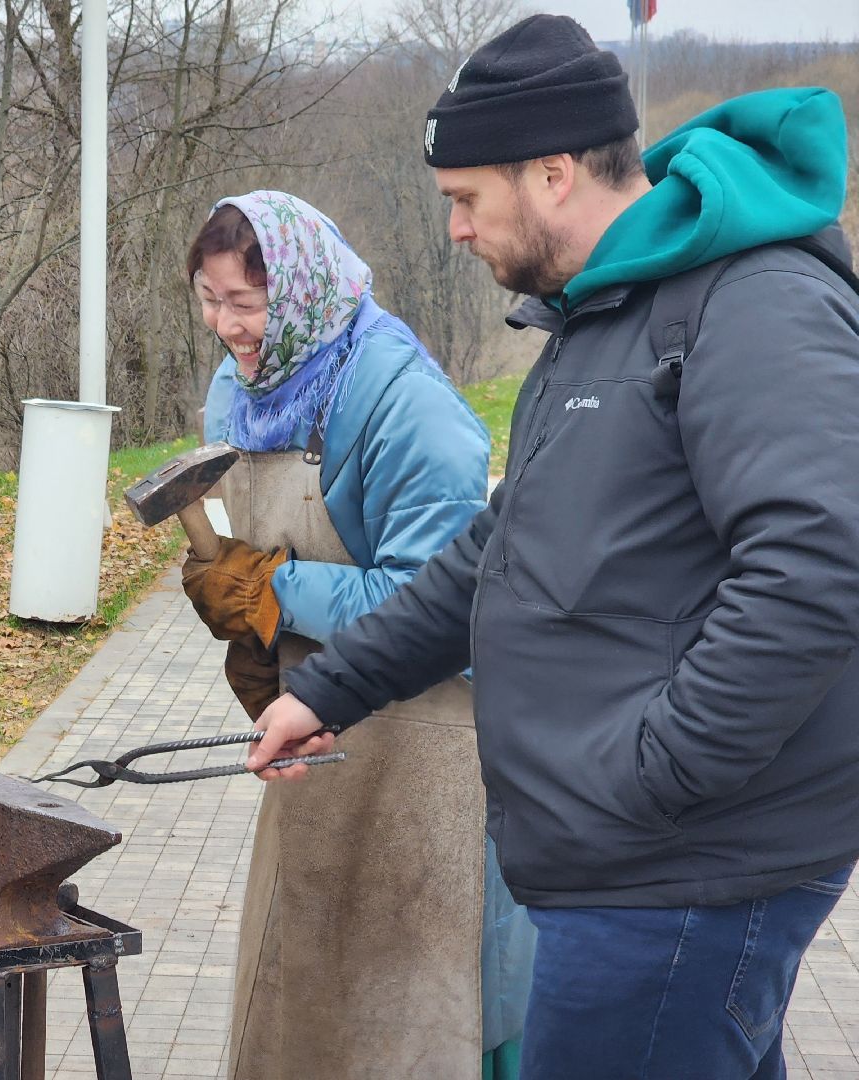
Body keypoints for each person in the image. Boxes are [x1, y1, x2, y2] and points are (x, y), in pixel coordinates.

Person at [248, 14, 859, 1080]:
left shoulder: (752, 302)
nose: (454, 230)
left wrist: (652, 779)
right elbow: (503, 547)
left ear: (552, 174)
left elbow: (817, 569)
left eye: (466, 199)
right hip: (636, 865)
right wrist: (330, 688)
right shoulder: (604, 316)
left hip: (676, 872)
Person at [180, 189, 533, 1078]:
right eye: (210, 300)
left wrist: (271, 591)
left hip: (426, 754)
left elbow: (433, 604)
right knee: (302, 1012)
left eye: (246, 303)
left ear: (299, 295)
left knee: (412, 1028)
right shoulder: (241, 389)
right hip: (310, 741)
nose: (226, 326)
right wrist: (248, 631)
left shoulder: (407, 405)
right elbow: (243, 550)